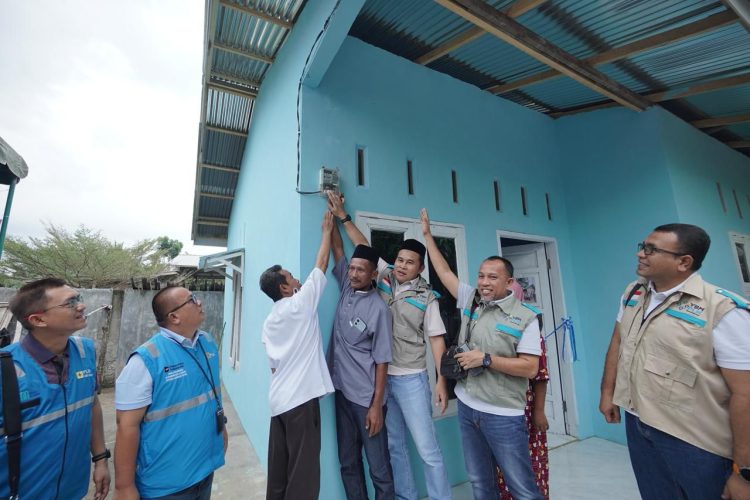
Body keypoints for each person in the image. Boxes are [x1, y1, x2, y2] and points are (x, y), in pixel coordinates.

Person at [599, 223, 750, 500]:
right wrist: (608, 392)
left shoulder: (723, 310)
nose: (640, 254)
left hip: (694, 440)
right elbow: (618, 342)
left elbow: (746, 393)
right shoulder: (634, 292)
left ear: (684, 262)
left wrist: (743, 472)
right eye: (642, 247)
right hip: (638, 422)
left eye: (651, 250)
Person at [327, 192, 451, 500]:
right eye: (400, 260)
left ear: (420, 268)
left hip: (410, 379)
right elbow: (362, 244)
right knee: (395, 445)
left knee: (427, 448)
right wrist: (343, 217)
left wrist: (441, 381)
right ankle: (405, 496)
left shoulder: (427, 298)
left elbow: (437, 340)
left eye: (410, 262)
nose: (402, 265)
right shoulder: (384, 277)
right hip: (380, 381)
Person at [421, 208, 543, 500]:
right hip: (467, 405)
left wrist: (486, 359)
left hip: (502, 414)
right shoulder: (471, 299)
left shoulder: (526, 317)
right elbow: (444, 273)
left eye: (492, 277)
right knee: (480, 483)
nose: (484, 282)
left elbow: (530, 368)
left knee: (522, 489)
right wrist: (427, 236)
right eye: (481, 276)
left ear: (509, 282)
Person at [114, 286, 228, 499]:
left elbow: (211, 397)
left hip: (204, 469)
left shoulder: (206, 342)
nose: (199, 302)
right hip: (167, 483)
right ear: (174, 317)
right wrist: (124, 485)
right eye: (192, 299)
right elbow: (126, 426)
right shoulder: (146, 360)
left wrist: (222, 430)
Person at [2, 279, 110, 499]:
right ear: (38, 320)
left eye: (78, 299)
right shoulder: (6, 368)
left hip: (73, 490)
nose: (81, 306)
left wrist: (100, 459)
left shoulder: (85, 351)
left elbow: (91, 405)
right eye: (70, 303)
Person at [259, 211, 335, 500]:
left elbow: (274, 367)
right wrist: (326, 231)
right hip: (301, 402)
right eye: (291, 276)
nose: (296, 278)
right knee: (303, 476)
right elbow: (322, 264)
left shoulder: (269, 321)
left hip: (278, 403)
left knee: (279, 473)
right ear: (284, 287)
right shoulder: (301, 304)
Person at [327, 213, 395, 499]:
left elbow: (382, 361)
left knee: (379, 468)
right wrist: (331, 218)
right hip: (341, 392)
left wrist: (376, 406)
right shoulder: (347, 286)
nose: (353, 274)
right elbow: (338, 249)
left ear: (373, 275)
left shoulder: (379, 309)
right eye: (352, 268)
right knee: (348, 462)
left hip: (366, 399)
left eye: (360, 270)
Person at [497, 337, 550, 500]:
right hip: (496, 410)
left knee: (528, 466)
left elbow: (540, 377)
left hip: (524, 411)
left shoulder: (530, 335)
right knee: (501, 468)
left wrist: (539, 411)